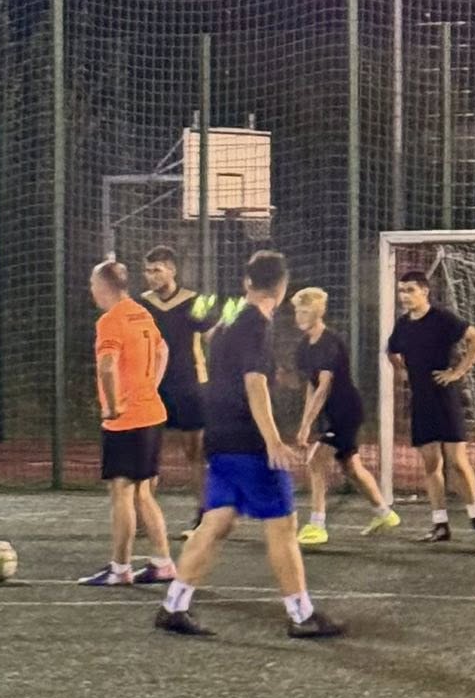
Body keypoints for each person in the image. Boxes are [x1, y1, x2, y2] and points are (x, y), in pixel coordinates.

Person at [155, 250, 341, 639]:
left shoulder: (228, 320)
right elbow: (254, 382)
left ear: (247, 282)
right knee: (283, 525)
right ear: (282, 286)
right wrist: (272, 440)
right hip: (246, 441)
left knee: (216, 522)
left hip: (219, 435)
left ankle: (174, 605)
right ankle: (301, 615)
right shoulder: (256, 323)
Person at [81, 260, 178, 587]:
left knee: (121, 491)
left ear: (103, 286)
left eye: (92, 283)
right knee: (143, 493)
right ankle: (162, 563)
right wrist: (150, 386)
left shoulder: (111, 320)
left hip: (127, 420)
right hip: (151, 413)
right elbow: (163, 350)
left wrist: (113, 405)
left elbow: (107, 366)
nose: (91, 289)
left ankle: (120, 568)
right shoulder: (141, 312)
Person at [386, 269, 475, 544]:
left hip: (445, 397)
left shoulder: (443, 318)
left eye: (410, 290)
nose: (404, 296)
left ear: (424, 291)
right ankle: (440, 524)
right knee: (431, 463)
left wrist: (457, 372)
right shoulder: (403, 325)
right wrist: (403, 372)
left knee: (457, 462)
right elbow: (391, 350)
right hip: (421, 400)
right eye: (401, 291)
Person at [291, 286, 398, 545]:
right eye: (297, 311)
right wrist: (305, 422)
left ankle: (317, 525)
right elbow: (311, 386)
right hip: (332, 413)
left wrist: (307, 426)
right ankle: (385, 514)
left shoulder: (330, 342)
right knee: (351, 467)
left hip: (346, 410)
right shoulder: (303, 346)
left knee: (316, 461)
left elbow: (324, 387)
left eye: (305, 311)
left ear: (318, 312)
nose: (299, 316)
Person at [137, 246, 220, 528]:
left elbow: (215, 337)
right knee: (148, 453)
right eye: (147, 271)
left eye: (157, 270)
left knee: (195, 452)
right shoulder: (141, 304)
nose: (151, 276)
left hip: (189, 385)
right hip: (152, 387)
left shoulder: (195, 301)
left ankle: (205, 513)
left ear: (172, 270)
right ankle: (144, 518)